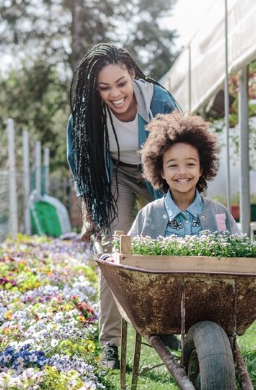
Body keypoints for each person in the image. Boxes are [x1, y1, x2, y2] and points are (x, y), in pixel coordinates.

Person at [67, 43, 180, 370]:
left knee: (170, 239)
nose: (115, 94)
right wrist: (89, 214)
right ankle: (110, 345)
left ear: (132, 74)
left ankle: (162, 324)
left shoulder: (158, 102)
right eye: (104, 88)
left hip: (156, 173)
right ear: (95, 89)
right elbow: (81, 168)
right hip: (113, 175)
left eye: (120, 83)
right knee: (113, 251)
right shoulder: (86, 116)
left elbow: (183, 152)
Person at [129, 112, 240, 239]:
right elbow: (128, 254)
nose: (182, 172)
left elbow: (240, 254)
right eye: (173, 165)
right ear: (161, 172)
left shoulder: (219, 213)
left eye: (190, 164)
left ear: (201, 168)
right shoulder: (148, 214)